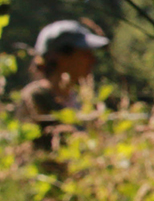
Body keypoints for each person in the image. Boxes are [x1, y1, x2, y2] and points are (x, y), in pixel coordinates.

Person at [16, 20, 109, 149]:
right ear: (59, 56)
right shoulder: (37, 97)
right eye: (85, 53)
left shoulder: (81, 98)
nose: (93, 59)